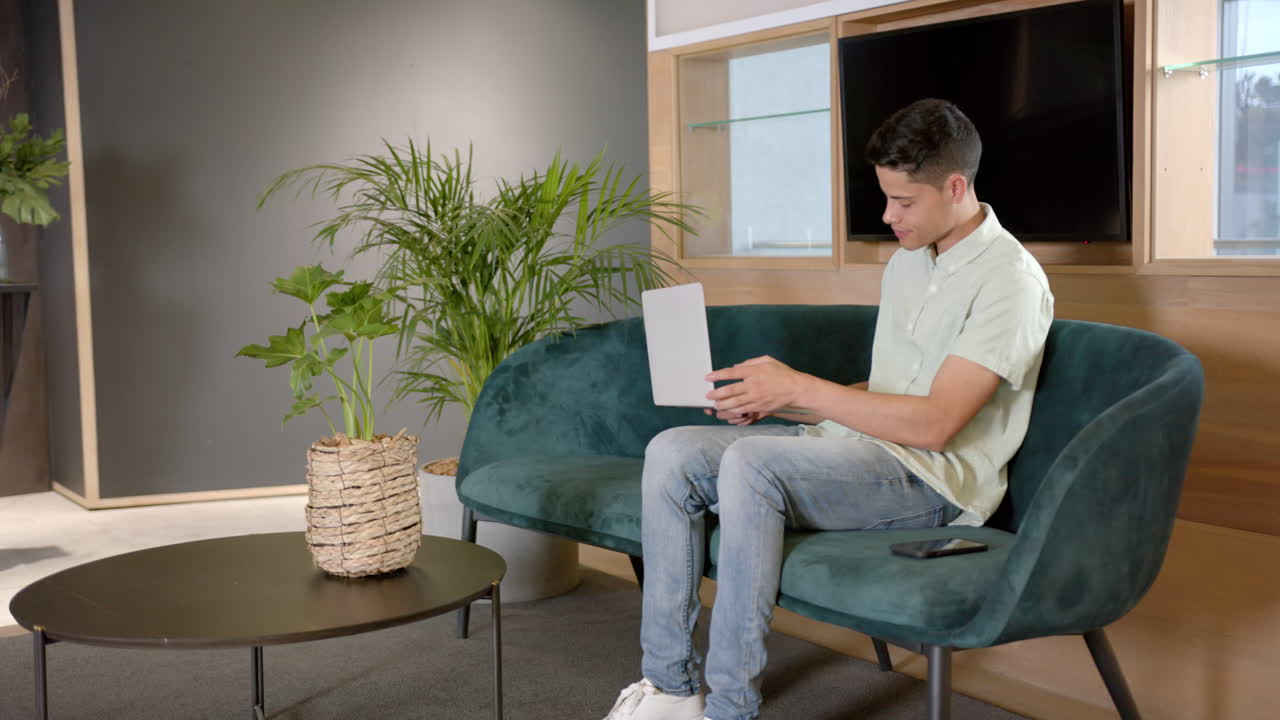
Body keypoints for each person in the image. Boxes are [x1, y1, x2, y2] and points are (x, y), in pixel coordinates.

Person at [600, 98, 1054, 720]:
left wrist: (800, 389)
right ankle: (671, 687)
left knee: (753, 467)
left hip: (934, 478)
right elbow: (889, 391)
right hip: (858, 451)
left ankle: (730, 709)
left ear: (956, 186)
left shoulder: (1012, 281)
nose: (888, 215)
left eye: (904, 202)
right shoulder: (908, 264)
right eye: (886, 197)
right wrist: (779, 406)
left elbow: (935, 423)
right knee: (673, 451)